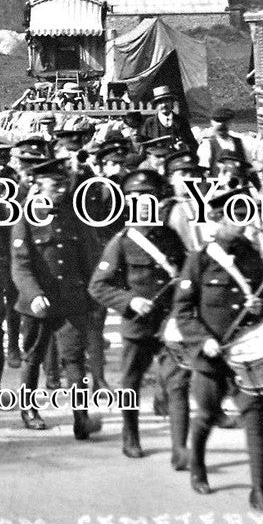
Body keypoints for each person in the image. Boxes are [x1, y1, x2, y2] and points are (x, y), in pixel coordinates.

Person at [171, 184, 263, 515]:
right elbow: (184, 310)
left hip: (246, 355)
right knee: (206, 414)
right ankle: (198, 465)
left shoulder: (254, 258)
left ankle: (258, 491)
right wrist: (202, 339)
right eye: (236, 217)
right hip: (210, 356)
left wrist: (261, 305)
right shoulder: (199, 259)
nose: (243, 223)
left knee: (255, 418)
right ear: (218, 220)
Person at [89, 169, 187, 460]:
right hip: (139, 326)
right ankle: (130, 435)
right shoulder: (121, 242)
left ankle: (180, 447)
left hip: (169, 323)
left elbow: (185, 274)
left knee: (178, 383)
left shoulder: (170, 237)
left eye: (149, 198)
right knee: (131, 383)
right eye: (136, 198)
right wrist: (130, 302)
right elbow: (98, 286)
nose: (143, 203)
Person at [11, 158, 102, 436]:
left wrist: (93, 297)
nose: (61, 190)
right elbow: (21, 265)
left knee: (74, 359)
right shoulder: (26, 217)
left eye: (64, 184)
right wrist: (34, 295)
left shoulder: (74, 215)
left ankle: (81, 418)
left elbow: (88, 259)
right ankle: (28, 409)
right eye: (55, 185)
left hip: (72, 299)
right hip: (39, 302)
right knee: (33, 357)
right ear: (38, 187)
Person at [139, 87, 198, 153]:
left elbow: (193, 145)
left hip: (178, 159)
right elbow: (145, 147)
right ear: (156, 105)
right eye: (160, 102)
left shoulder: (182, 121)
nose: (164, 105)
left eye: (167, 101)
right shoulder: (149, 123)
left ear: (172, 103)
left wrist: (184, 146)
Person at [197, 106, 247, 174]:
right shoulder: (207, 145)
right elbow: (204, 171)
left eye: (225, 121)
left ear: (230, 122)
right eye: (218, 121)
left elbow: (247, 168)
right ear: (212, 122)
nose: (221, 124)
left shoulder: (239, 142)